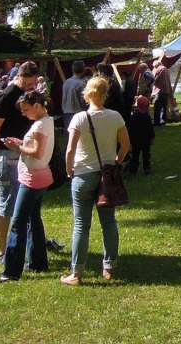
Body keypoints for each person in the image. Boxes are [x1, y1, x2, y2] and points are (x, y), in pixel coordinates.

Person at [63, 76, 130, 284]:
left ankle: (77, 273)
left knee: (81, 225)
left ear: (87, 94)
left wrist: (69, 170)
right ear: (105, 94)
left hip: (82, 174)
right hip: (107, 175)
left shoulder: (79, 118)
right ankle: (109, 267)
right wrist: (116, 163)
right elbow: (126, 145)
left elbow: (70, 150)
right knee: (108, 222)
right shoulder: (115, 116)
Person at [0, 61, 40, 264]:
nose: (30, 87)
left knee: (27, 205)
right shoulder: (6, 96)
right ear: (19, 76)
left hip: (24, 153)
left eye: (33, 84)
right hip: (6, 156)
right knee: (7, 204)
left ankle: (32, 245)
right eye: (27, 83)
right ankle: (2, 251)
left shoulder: (29, 96)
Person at [0, 90, 54, 282]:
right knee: (33, 218)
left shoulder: (39, 124)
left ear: (37, 106)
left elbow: (37, 152)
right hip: (41, 176)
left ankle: (11, 271)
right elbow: (37, 146)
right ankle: (38, 263)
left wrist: (17, 147)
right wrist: (20, 142)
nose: (24, 114)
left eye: (26, 110)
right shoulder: (47, 121)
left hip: (32, 178)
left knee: (18, 223)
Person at [126, 95, 154, 176]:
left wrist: (130, 138)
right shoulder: (147, 116)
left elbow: (130, 128)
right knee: (146, 155)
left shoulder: (134, 116)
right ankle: (147, 168)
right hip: (146, 140)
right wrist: (152, 136)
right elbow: (150, 128)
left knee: (135, 155)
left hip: (136, 140)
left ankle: (133, 169)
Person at [62, 60, 87, 132]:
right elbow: (83, 100)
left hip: (66, 111)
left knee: (69, 135)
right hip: (77, 112)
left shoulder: (66, 82)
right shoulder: (80, 84)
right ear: (83, 70)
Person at [152, 55, 172, 126]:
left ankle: (157, 122)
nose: (154, 68)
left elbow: (155, 79)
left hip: (160, 91)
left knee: (157, 107)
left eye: (154, 67)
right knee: (164, 107)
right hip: (166, 90)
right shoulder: (166, 69)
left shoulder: (159, 69)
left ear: (156, 65)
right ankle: (163, 121)